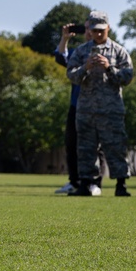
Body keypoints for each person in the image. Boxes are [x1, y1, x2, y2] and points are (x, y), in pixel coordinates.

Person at [66, 11, 134, 197]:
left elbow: (127, 77)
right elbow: (71, 75)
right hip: (86, 110)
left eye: (101, 31)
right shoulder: (81, 51)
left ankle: (121, 185)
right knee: (86, 149)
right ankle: (85, 184)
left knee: (116, 147)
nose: (97, 34)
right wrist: (85, 67)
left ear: (108, 29)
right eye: (94, 30)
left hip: (111, 110)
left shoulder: (119, 51)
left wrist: (109, 68)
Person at [53, 22, 89, 195]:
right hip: (77, 104)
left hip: (98, 106)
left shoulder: (110, 50)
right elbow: (61, 58)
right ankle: (74, 181)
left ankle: (94, 182)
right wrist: (64, 39)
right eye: (87, 28)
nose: (89, 31)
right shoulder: (79, 51)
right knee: (71, 143)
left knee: (95, 146)